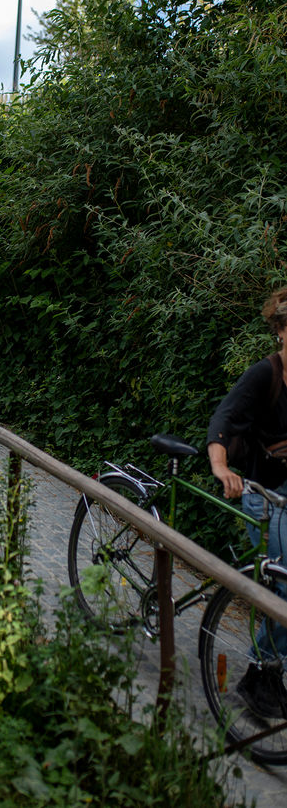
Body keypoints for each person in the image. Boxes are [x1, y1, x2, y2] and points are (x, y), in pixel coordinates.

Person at [207, 286, 287, 719]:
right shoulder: (264, 374)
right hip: (263, 495)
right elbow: (225, 418)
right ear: (281, 331)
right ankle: (261, 672)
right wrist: (221, 467)